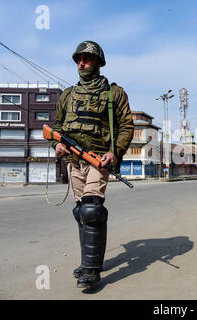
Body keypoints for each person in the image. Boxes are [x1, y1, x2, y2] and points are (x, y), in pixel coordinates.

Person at [52, 41, 134, 289]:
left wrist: (115, 152)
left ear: (98, 62)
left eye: (87, 59)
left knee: (92, 209)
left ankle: (90, 270)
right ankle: (93, 260)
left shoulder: (114, 93)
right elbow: (56, 128)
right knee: (82, 213)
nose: (81, 63)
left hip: (98, 159)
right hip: (74, 162)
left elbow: (127, 126)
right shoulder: (67, 95)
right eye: (78, 59)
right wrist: (56, 145)